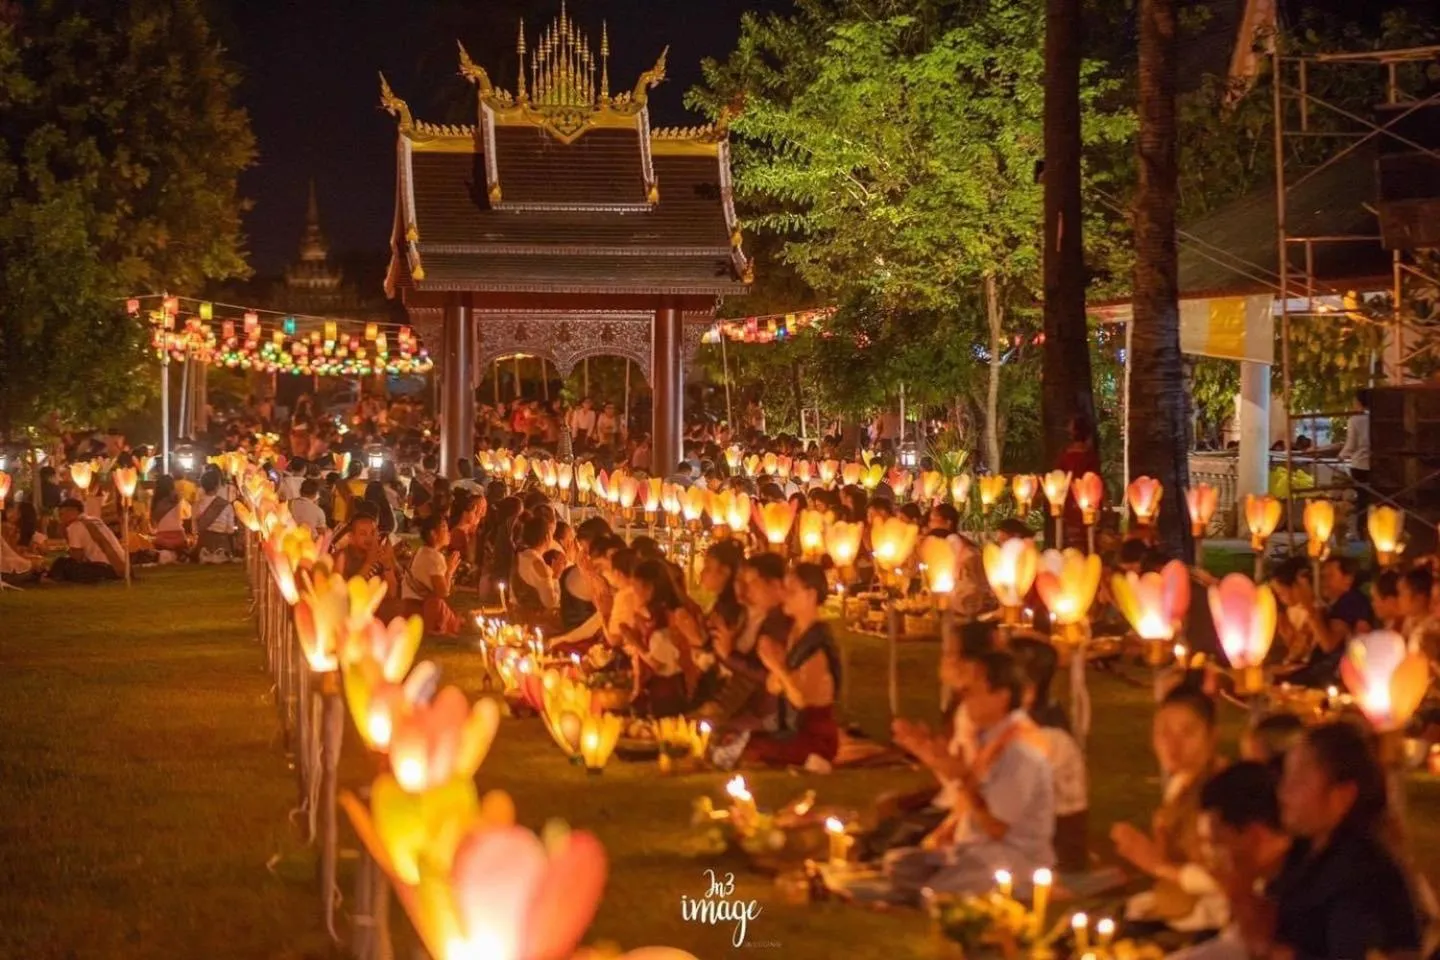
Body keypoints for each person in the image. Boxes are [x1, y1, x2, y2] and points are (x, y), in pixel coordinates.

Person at [1230, 722, 1422, 960]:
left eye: (1298, 780)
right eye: (1286, 777)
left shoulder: (1363, 874)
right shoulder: (1304, 851)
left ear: (1342, 796)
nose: (1283, 792)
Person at [880, 650, 1055, 904]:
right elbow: (967, 799)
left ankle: (934, 895)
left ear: (1001, 696)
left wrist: (961, 779)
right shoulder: (989, 737)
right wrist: (935, 761)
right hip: (972, 851)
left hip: (1012, 856)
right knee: (899, 863)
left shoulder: (1022, 750)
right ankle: (930, 890)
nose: (962, 694)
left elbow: (996, 828)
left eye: (972, 690)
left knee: (938, 890)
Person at [1112, 685, 1227, 935]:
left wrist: (1155, 865)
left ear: (1212, 736)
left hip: (1213, 923)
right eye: (1163, 733)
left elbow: (1226, 878)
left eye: (1187, 733)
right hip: (1176, 909)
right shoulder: (1182, 783)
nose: (1172, 745)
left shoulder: (1222, 793)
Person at [1167, 763, 1294, 960]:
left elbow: (1255, 951)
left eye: (1215, 843)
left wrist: (1239, 893)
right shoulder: (1269, 880)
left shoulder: (1300, 892)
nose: (1207, 857)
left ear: (1254, 836)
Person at [743, 563, 843, 769]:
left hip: (816, 737)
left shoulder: (817, 644)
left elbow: (801, 698)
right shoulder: (795, 633)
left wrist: (777, 667)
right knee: (740, 739)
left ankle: (816, 762)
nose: (784, 596)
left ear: (810, 595)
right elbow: (773, 686)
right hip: (790, 727)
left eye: (791, 591)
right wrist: (776, 669)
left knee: (747, 748)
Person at [401, 516, 462, 636]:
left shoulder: (421, 551)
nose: (449, 533)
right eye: (444, 529)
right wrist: (449, 571)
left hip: (407, 609)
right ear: (433, 534)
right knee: (438, 604)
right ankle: (450, 624)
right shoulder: (434, 557)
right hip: (423, 609)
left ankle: (453, 621)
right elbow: (443, 592)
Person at [49, 498, 125, 583]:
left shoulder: (75, 526)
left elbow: (77, 557)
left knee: (62, 562)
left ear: (72, 511)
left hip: (104, 569)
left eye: (61, 514)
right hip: (121, 568)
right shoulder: (95, 520)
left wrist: (65, 534)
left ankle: (50, 578)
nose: (60, 519)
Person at [1338, 389, 1371, 537]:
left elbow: (1351, 446)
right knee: (1376, 500)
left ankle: (1361, 530)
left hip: (1360, 465)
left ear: (1358, 402)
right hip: (1380, 465)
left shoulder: (1355, 420)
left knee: (1362, 500)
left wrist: (1341, 455)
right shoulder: (1380, 418)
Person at [193, 469, 237, 562]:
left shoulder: (196, 505)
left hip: (203, 544)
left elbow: (194, 530)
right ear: (218, 485)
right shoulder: (226, 505)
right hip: (221, 544)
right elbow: (230, 530)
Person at [149, 475, 190, 555]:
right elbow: (188, 514)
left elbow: (153, 525)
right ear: (172, 486)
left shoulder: (154, 503)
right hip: (179, 539)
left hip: (161, 540)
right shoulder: (177, 498)